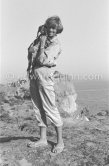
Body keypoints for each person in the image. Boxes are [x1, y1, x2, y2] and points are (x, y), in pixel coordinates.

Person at [27, 16, 64, 154]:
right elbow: (30, 52)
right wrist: (38, 39)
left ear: (57, 30)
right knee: (38, 106)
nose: (51, 30)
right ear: (46, 27)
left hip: (45, 75)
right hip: (34, 75)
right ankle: (43, 139)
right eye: (49, 27)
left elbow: (42, 60)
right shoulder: (42, 38)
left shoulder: (55, 44)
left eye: (54, 28)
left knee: (50, 107)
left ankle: (60, 142)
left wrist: (41, 45)